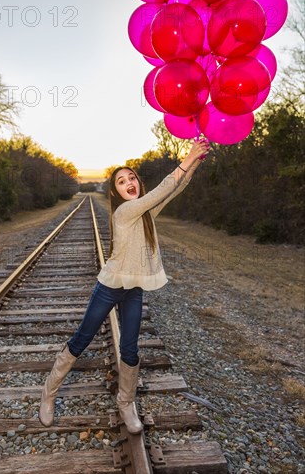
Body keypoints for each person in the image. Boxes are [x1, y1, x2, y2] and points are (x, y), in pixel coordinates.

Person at [39, 137, 211, 433]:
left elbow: (174, 189)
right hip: (110, 286)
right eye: (121, 181)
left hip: (134, 288)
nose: (129, 182)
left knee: (130, 349)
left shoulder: (144, 213)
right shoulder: (124, 213)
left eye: (132, 177)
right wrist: (186, 158)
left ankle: (126, 403)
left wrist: (194, 162)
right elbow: (164, 187)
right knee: (82, 340)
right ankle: (49, 394)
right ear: (115, 192)